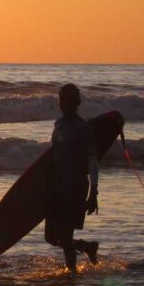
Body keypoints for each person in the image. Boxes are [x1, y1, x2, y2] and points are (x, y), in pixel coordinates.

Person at [44, 84, 100, 272]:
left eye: (68, 99)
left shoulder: (83, 129)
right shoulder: (58, 125)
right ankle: (86, 246)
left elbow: (93, 161)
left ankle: (71, 276)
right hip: (57, 188)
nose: (63, 103)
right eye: (61, 99)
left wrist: (93, 192)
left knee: (66, 236)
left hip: (75, 188)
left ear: (76, 102)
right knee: (51, 237)